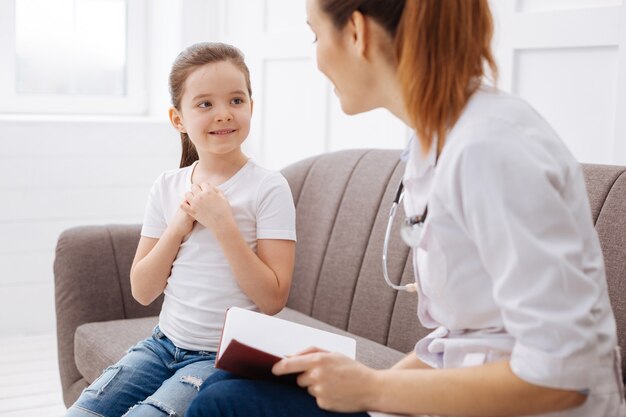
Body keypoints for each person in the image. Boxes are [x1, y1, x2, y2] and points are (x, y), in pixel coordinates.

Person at [185, 1, 626, 417]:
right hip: (454, 396)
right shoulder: (434, 139)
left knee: (222, 404)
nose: (316, 59)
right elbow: (466, 337)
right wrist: (367, 392)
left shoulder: (491, 148)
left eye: (316, 36)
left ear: (356, 31)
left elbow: (564, 377)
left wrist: (371, 391)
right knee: (224, 387)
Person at [65, 42, 297, 417]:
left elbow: (272, 300)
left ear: (251, 106)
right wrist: (178, 225)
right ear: (178, 119)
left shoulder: (269, 188)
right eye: (205, 104)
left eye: (236, 100)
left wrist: (223, 224)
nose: (223, 114)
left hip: (222, 358)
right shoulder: (167, 186)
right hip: (161, 345)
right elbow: (142, 290)